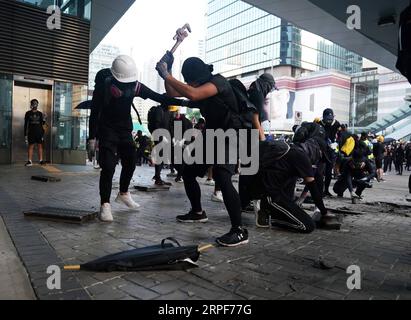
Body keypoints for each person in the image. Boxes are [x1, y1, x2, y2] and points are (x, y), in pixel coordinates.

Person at [156, 54, 248, 247]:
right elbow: (173, 93)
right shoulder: (199, 86)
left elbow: (192, 94)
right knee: (188, 172)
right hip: (212, 134)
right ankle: (197, 212)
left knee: (223, 177)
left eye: (190, 80)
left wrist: (166, 74)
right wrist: (168, 71)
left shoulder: (218, 82)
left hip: (231, 134)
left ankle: (239, 230)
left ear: (197, 77)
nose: (189, 83)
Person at [89, 55, 189, 222]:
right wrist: (92, 138)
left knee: (130, 161)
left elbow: (159, 97)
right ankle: (104, 205)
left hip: (125, 130)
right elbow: (94, 112)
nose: (127, 83)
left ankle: (123, 193)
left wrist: (186, 103)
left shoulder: (135, 86)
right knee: (108, 167)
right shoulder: (104, 85)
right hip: (107, 130)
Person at [244, 139, 333, 233]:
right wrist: (324, 212)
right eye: (321, 158)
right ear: (318, 151)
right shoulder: (302, 157)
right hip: (270, 195)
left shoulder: (294, 149)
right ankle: (266, 208)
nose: (319, 161)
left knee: (299, 216)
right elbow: (313, 187)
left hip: (273, 193)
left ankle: (273, 216)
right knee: (307, 226)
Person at [320, 108, 341, 197]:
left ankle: (326, 190)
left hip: (331, 149)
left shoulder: (336, 124)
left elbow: (340, 135)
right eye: (327, 118)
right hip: (321, 148)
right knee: (320, 171)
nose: (329, 120)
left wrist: (336, 142)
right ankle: (319, 189)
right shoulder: (319, 123)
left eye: (330, 117)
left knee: (328, 171)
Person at [24, 99, 46, 166]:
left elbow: (43, 124)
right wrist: (25, 135)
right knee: (31, 146)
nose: (35, 104)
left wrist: (44, 118)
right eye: (33, 103)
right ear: (31, 104)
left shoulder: (40, 113)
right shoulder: (28, 113)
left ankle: (41, 160)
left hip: (39, 133)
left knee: (40, 146)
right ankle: (30, 161)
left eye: (36, 103)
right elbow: (26, 124)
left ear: (37, 104)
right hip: (31, 132)